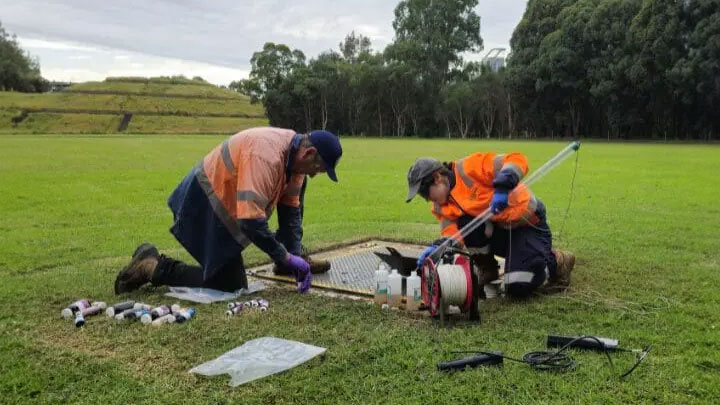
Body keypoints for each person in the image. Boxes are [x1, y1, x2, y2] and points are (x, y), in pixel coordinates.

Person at [114, 127, 342, 295]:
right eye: (317, 168)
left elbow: (290, 214)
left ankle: (282, 263)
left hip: (224, 210)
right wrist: (284, 255)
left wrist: (291, 259)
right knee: (229, 284)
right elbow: (251, 221)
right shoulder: (265, 156)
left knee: (231, 278)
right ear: (308, 153)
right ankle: (151, 266)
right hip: (202, 203)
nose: (313, 174)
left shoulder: (296, 166)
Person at [406, 151, 575, 298]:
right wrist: (439, 247)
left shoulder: (470, 167)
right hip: (501, 231)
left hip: (528, 226)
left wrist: (502, 186)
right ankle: (488, 269)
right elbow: (453, 233)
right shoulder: (441, 205)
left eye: (424, 192)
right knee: (466, 223)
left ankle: (556, 261)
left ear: (437, 178)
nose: (427, 199)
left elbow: (517, 159)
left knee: (517, 286)